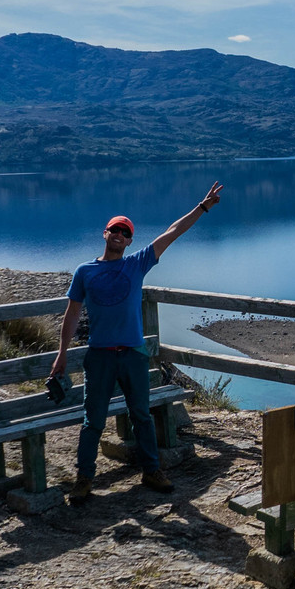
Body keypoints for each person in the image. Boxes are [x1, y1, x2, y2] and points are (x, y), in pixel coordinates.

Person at [51, 182, 223, 503]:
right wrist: (61, 354)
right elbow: (71, 315)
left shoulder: (137, 263)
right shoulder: (85, 272)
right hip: (100, 357)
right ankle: (84, 478)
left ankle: (151, 470)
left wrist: (202, 207)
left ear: (130, 241)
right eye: (114, 230)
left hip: (133, 354)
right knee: (93, 421)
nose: (119, 235)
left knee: (141, 415)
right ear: (105, 234)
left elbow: (173, 232)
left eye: (125, 233)